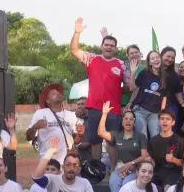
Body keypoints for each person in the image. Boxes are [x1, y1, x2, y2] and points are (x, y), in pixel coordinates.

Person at [71, 17, 125, 161]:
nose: (109, 47)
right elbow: (74, 50)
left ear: (116, 48)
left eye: (112, 45)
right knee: (95, 141)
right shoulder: (92, 59)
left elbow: (129, 86)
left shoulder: (121, 64)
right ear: (101, 46)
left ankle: (113, 172)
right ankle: (97, 172)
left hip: (114, 110)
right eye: (106, 44)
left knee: (112, 141)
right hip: (94, 108)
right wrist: (77, 33)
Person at [97, 101, 148, 192]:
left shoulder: (140, 137)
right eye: (126, 118)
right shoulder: (117, 135)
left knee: (126, 184)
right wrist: (104, 114)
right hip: (120, 168)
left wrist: (131, 164)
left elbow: (144, 156)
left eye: (131, 119)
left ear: (134, 122)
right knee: (113, 182)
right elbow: (100, 132)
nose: (128, 121)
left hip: (135, 169)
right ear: (122, 121)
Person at [27, 83, 77, 163]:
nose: (58, 94)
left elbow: (76, 139)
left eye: (59, 93)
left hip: (66, 163)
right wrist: (35, 127)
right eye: (53, 93)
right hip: (47, 162)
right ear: (48, 101)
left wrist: (80, 134)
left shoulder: (71, 115)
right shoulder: (41, 113)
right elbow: (28, 137)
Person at [128, 50, 170, 141]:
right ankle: (143, 155)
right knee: (143, 138)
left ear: (160, 60)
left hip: (155, 113)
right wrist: (133, 73)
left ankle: (153, 155)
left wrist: (162, 112)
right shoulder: (144, 73)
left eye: (157, 57)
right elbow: (132, 88)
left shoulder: (165, 76)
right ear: (150, 62)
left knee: (156, 137)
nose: (155, 60)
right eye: (152, 58)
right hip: (140, 110)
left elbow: (165, 96)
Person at [148, 110, 184, 191]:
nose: (164, 121)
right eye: (162, 119)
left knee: (168, 189)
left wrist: (174, 160)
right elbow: (153, 162)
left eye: (168, 119)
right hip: (157, 173)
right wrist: (150, 161)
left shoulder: (179, 140)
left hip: (174, 172)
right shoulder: (153, 141)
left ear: (173, 122)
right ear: (158, 122)